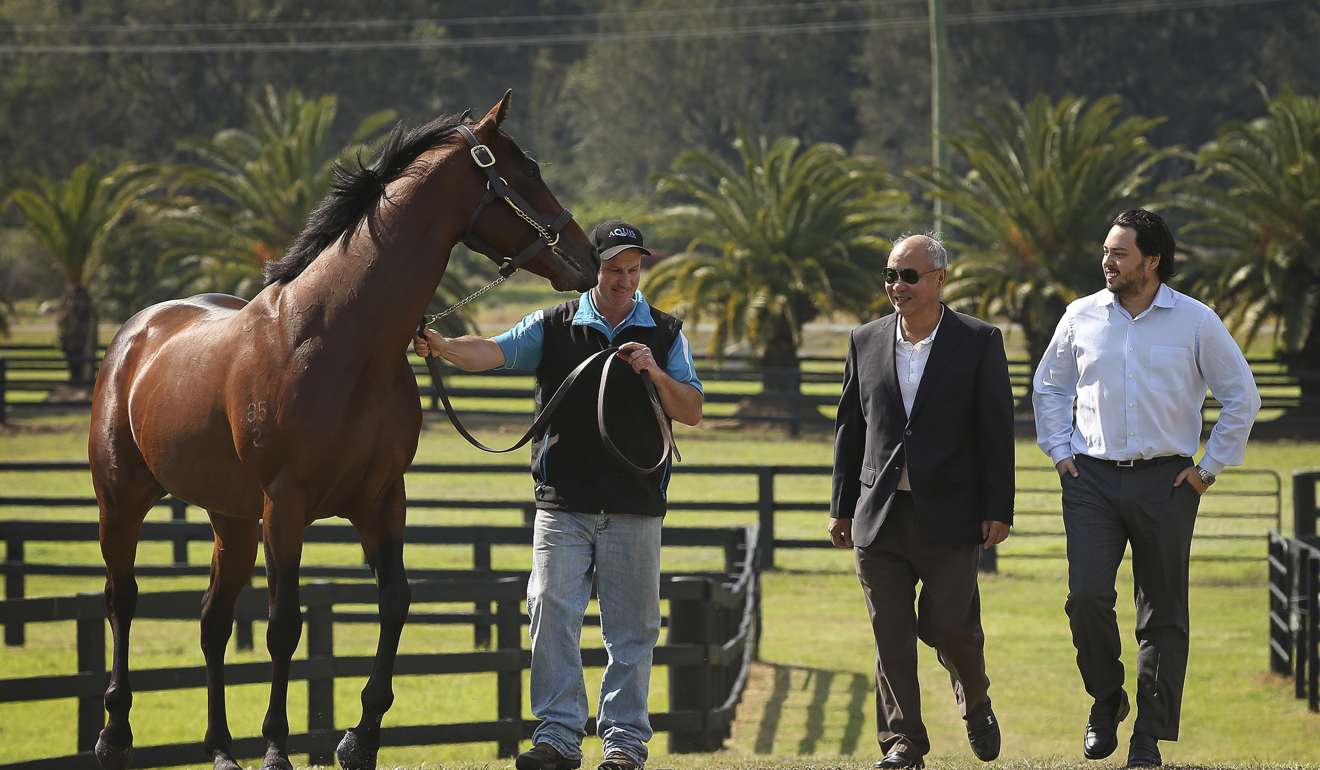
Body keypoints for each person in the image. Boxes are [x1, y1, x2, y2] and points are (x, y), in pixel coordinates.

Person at [414, 219, 703, 770]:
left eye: (632, 270)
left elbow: (690, 408)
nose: (623, 280)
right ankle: (558, 737)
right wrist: (443, 346)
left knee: (632, 628)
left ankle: (622, 745)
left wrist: (652, 372)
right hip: (562, 502)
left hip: (634, 504)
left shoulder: (665, 333)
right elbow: (492, 353)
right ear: (593, 269)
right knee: (549, 609)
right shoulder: (553, 325)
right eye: (613, 269)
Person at [1032, 209, 1261, 768]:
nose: (1107, 261)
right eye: (1106, 251)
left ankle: (1148, 738)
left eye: (1120, 253)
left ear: (1151, 261)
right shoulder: (1080, 316)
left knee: (1161, 611)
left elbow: (1242, 398)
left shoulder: (1197, 322)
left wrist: (1208, 470)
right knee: (1085, 597)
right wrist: (1060, 452)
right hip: (1090, 479)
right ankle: (1107, 700)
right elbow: (1049, 387)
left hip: (1168, 481)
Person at [829, 233, 1014, 770]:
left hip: (952, 516)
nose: (897, 286)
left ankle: (975, 698)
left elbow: (996, 429)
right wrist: (842, 506)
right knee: (890, 630)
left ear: (939, 279)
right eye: (890, 275)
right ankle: (903, 742)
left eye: (908, 276)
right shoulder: (864, 340)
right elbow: (850, 429)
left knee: (948, 625)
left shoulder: (978, 341)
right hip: (879, 514)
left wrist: (998, 507)